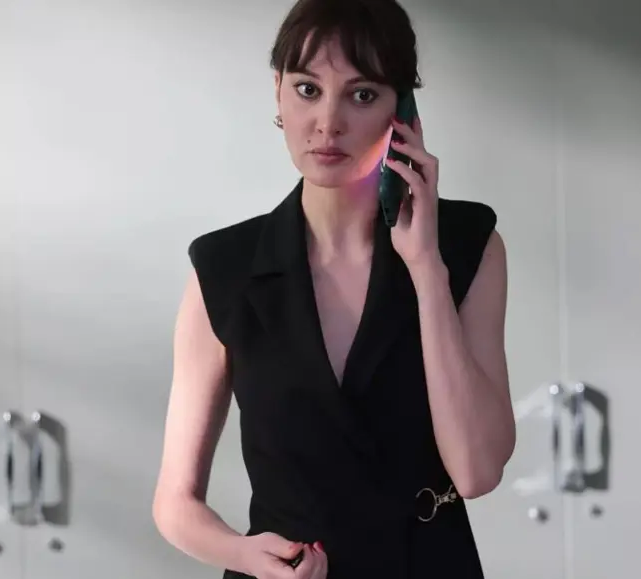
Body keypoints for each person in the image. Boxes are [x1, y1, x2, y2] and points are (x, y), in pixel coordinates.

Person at [152, 0, 515, 577]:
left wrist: (426, 268)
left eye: (362, 95)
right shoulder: (224, 268)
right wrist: (248, 555)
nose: (328, 122)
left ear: (403, 110)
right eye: (307, 90)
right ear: (278, 92)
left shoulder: (467, 245)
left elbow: (476, 472)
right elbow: (175, 503)